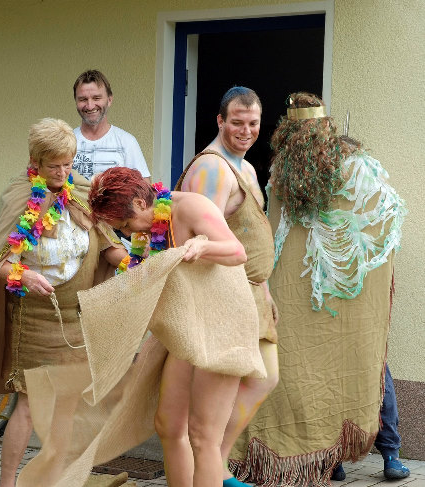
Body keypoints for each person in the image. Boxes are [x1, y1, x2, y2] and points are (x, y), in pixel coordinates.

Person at [229, 93, 406, 486]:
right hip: (301, 294)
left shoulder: (356, 167)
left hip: (348, 292)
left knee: (366, 363)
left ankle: (390, 452)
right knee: (309, 373)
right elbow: (274, 231)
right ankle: (329, 457)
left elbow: (385, 216)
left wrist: (354, 261)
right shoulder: (283, 174)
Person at [0, 118, 126, 487]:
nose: (63, 172)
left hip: (75, 318)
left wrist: (133, 264)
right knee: (29, 406)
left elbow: (108, 245)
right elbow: (0, 265)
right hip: (35, 320)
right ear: (35, 161)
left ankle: (58, 478)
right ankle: (8, 482)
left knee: (68, 404)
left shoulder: (80, 192)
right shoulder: (19, 197)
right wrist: (25, 276)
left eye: (68, 163)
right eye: (54, 166)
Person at [87, 167, 256, 486]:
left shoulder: (191, 206)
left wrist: (203, 247)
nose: (126, 233)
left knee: (203, 436)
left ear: (140, 203)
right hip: (185, 328)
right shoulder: (145, 231)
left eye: (125, 225)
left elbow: (237, 252)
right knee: (168, 424)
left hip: (221, 326)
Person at [174, 87, 279, 487]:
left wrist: (266, 291)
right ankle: (211, 466)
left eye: (253, 123)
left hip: (253, 293)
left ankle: (215, 463)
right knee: (211, 410)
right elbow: (204, 239)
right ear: (220, 121)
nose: (246, 131)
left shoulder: (246, 168)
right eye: (237, 122)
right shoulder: (212, 169)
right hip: (226, 296)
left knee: (265, 378)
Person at [72, 69, 150, 181]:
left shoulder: (126, 142)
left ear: (109, 100)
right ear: (76, 102)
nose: (90, 106)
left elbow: (144, 188)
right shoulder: (65, 142)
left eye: (96, 98)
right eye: (83, 99)